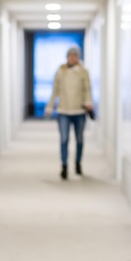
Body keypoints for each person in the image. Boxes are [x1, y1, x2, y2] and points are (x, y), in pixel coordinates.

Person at [45, 46, 94, 180]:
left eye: (75, 56)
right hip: (63, 111)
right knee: (64, 139)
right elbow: (55, 90)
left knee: (79, 139)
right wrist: (50, 106)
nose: (72, 58)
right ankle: (64, 166)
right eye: (70, 56)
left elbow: (87, 89)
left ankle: (78, 162)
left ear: (78, 57)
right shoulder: (61, 71)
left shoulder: (83, 72)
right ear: (67, 57)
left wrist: (89, 101)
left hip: (79, 110)